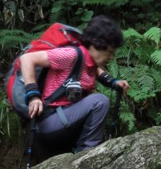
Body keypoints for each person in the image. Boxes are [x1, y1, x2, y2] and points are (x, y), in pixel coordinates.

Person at [22, 15, 129, 154]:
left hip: (63, 122)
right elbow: (27, 59)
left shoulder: (89, 62)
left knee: (96, 102)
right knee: (99, 101)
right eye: (109, 52)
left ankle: (82, 151)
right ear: (95, 43)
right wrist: (33, 95)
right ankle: (87, 153)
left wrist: (114, 82)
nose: (111, 57)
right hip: (48, 122)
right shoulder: (71, 54)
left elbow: (97, 71)